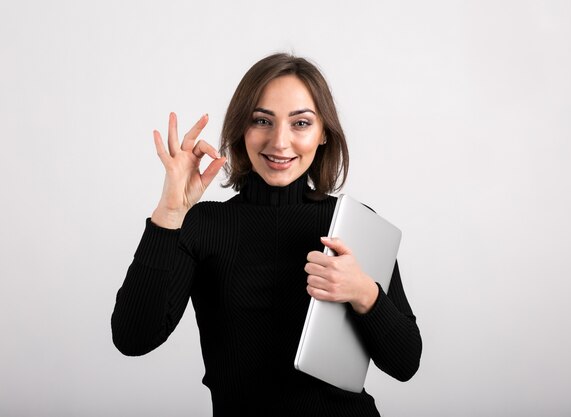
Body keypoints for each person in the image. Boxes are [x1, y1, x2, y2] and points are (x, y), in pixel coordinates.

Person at [111, 53, 422, 417]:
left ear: (323, 134)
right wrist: (169, 213)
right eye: (262, 120)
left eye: (300, 123)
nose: (279, 141)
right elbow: (133, 339)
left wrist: (364, 294)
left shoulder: (353, 224)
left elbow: (406, 363)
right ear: (242, 129)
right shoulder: (203, 225)